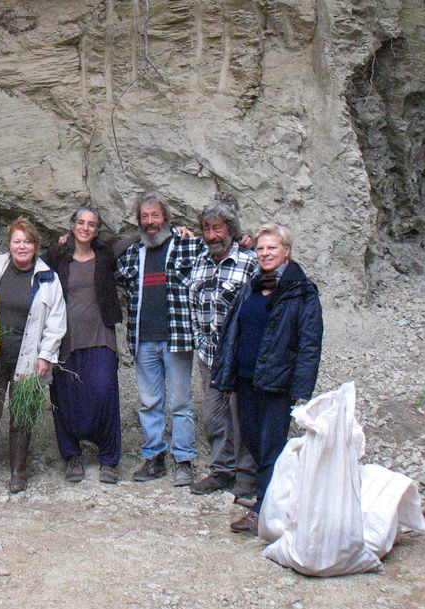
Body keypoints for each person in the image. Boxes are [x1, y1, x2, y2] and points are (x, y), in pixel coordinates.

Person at [212, 223, 323, 535]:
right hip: (246, 381)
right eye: (261, 248)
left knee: (271, 447)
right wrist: (227, 374)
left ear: (286, 251)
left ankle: (264, 510)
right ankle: (281, 499)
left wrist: (299, 389)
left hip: (277, 384)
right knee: (253, 442)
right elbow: (234, 331)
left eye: (272, 248)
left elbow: (310, 343)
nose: (265, 253)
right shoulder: (252, 286)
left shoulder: (301, 290)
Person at [0, 217, 66, 493]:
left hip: (29, 356)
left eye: (27, 242)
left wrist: (46, 355)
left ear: (36, 246)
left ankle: (18, 471)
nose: (22, 246)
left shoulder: (48, 277)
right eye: (16, 241)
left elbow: (56, 320)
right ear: (8, 244)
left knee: (22, 413)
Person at [115, 191, 204, 486]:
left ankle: (184, 460)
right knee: (149, 402)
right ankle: (154, 458)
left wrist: (245, 241)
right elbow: (105, 267)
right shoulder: (131, 253)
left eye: (155, 215)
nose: (150, 222)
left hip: (177, 338)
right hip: (143, 340)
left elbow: (219, 249)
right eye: (144, 217)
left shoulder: (187, 245)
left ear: (166, 217)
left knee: (181, 402)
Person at [43, 207, 131, 485]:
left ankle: (108, 459)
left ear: (97, 230)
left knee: (104, 393)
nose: (85, 228)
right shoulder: (58, 256)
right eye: (80, 223)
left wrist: (177, 230)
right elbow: (26, 258)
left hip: (100, 335)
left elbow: (132, 240)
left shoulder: (104, 254)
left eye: (91, 224)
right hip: (65, 339)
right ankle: (72, 456)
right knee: (65, 397)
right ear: (72, 227)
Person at [187, 198, 259, 500]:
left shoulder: (250, 261)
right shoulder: (200, 260)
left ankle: (247, 476)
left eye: (217, 228)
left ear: (230, 230)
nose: (212, 235)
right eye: (206, 229)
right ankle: (221, 470)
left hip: (240, 356)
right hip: (208, 354)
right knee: (214, 415)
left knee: (242, 415)